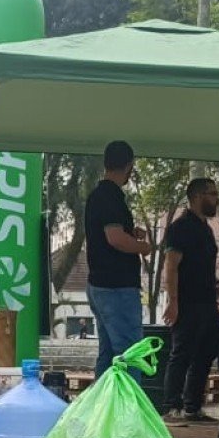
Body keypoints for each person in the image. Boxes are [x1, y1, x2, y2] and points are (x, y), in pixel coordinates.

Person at [160, 178, 219, 424]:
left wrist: (218, 284)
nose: (216, 199)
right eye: (212, 194)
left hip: (207, 301)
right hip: (187, 302)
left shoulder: (206, 229)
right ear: (198, 196)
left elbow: (205, 264)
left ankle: (193, 405)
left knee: (206, 352)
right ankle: (172, 406)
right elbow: (171, 266)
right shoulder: (180, 228)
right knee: (182, 352)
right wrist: (173, 301)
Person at [84, 140, 152, 375]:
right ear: (129, 166)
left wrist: (130, 234)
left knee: (108, 353)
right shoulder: (111, 197)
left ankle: (103, 407)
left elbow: (110, 235)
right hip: (117, 287)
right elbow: (115, 238)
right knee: (130, 354)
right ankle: (129, 408)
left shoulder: (97, 196)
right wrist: (142, 247)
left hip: (99, 284)